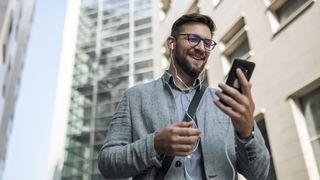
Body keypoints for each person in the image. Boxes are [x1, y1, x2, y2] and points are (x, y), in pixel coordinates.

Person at [98, 13, 270, 180]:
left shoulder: (225, 102)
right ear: (171, 43)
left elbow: (259, 174)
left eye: (207, 43)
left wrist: (247, 133)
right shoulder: (134, 97)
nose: (201, 48)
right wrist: (155, 145)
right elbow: (107, 164)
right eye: (193, 39)